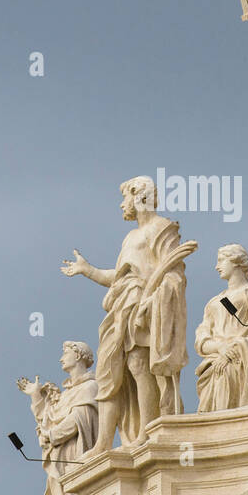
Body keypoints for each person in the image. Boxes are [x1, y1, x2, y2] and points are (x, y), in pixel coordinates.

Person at [62, 176, 193, 448]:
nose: (122, 205)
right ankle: (103, 443)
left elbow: (172, 273)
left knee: (138, 365)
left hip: (142, 304)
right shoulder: (131, 236)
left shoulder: (162, 227)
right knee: (109, 372)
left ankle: (147, 430)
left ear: (139, 196)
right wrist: (89, 271)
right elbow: (121, 276)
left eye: (125, 198)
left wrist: (153, 299)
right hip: (121, 305)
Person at [17, 340, 99, 495]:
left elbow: (78, 421)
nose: (62, 358)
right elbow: (48, 420)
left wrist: (52, 435)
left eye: (66, 353)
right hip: (59, 461)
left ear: (80, 356)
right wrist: (36, 397)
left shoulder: (90, 388)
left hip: (76, 458)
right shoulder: (67, 393)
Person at [195, 244, 248, 412]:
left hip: (239, 364)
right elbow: (202, 339)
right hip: (214, 365)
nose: (217, 267)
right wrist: (221, 348)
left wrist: (236, 350)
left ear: (236, 261)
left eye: (221, 261)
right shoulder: (214, 303)